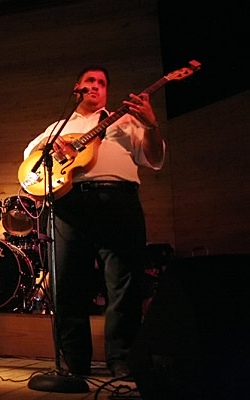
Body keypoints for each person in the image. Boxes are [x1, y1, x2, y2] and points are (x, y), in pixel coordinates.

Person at [22, 66, 165, 378]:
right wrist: (53, 149)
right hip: (69, 204)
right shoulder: (59, 126)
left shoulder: (126, 120)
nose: (96, 86)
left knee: (123, 284)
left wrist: (151, 127)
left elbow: (154, 159)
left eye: (101, 83)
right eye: (90, 81)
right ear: (78, 88)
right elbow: (29, 157)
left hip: (119, 202)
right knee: (68, 284)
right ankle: (74, 360)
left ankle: (122, 358)